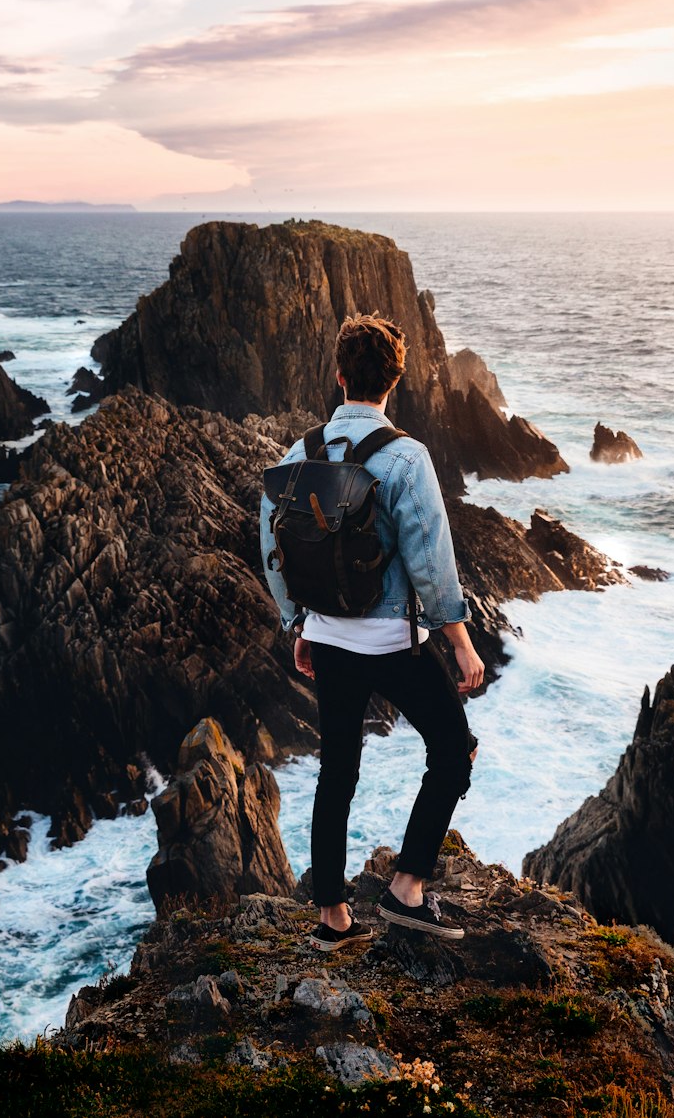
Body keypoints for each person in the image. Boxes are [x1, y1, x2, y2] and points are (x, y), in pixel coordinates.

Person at [259, 314, 484, 949]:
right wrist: (461, 643)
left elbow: (273, 547)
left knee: (338, 772)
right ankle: (407, 888)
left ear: (337, 375)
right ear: (395, 379)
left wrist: (297, 623)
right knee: (453, 750)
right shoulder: (406, 458)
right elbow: (430, 560)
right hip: (391, 645)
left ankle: (332, 916)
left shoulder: (298, 456)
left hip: (328, 640)